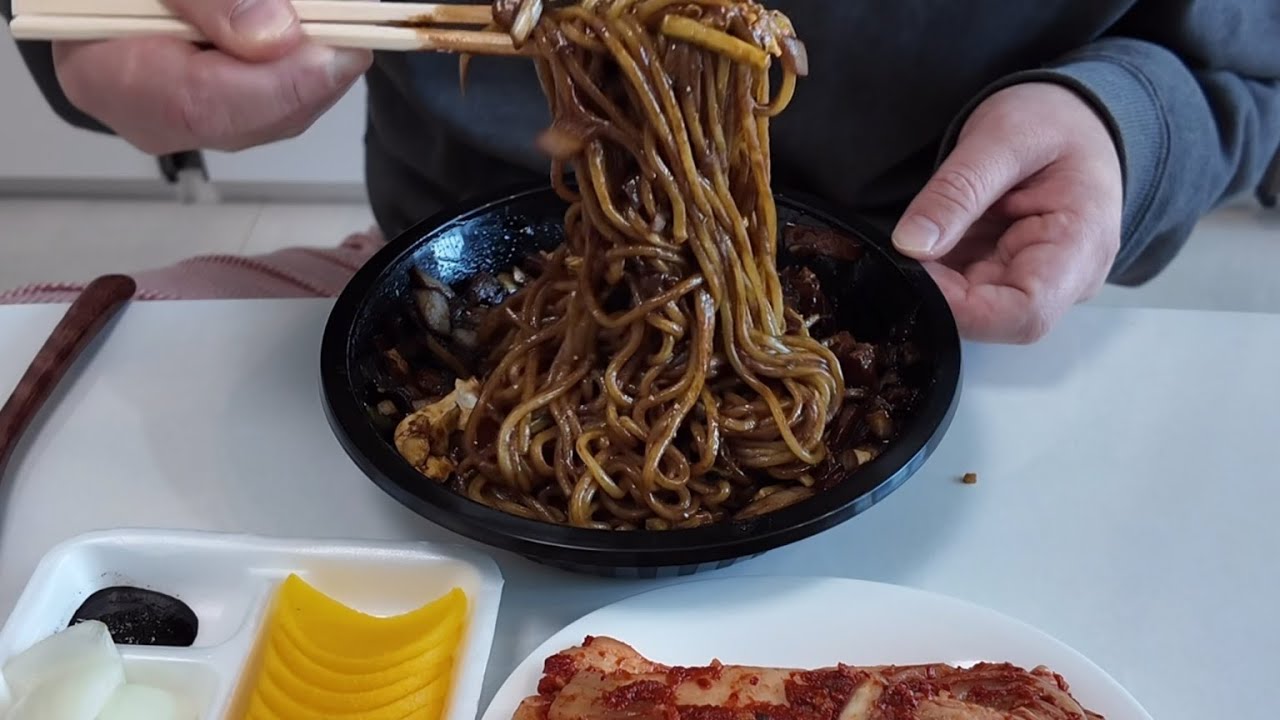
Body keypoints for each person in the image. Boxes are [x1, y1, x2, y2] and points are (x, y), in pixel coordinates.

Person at [2, 0, 1278, 343]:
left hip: (947, 300)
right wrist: (103, 46)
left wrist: (1127, 122)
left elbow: (1240, 56)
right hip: (470, 294)